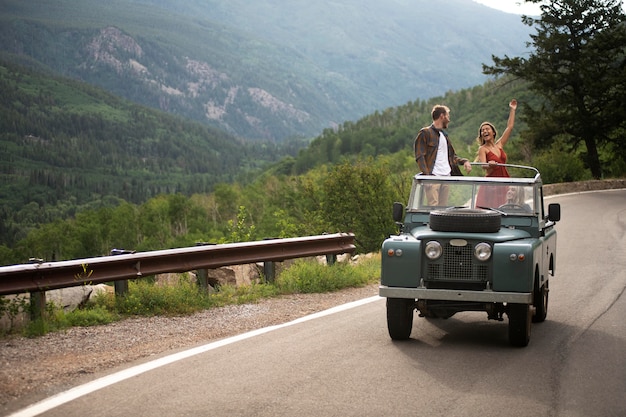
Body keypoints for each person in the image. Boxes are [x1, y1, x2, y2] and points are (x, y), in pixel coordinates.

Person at [414, 104, 472, 205]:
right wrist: (427, 177)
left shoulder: (444, 136)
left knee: (442, 210)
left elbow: (452, 157)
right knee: (433, 209)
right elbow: (420, 156)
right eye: (448, 116)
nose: (449, 120)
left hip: (446, 177)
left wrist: (465, 161)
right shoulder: (425, 133)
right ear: (442, 116)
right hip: (433, 177)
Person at [475, 99, 517, 207]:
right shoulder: (482, 149)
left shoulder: (499, 145)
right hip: (491, 185)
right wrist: (490, 164)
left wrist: (512, 110)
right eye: (482, 130)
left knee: (505, 208)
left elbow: (510, 127)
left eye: (487, 129)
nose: (484, 131)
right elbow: (483, 166)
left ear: (493, 132)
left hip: (504, 181)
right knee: (491, 210)